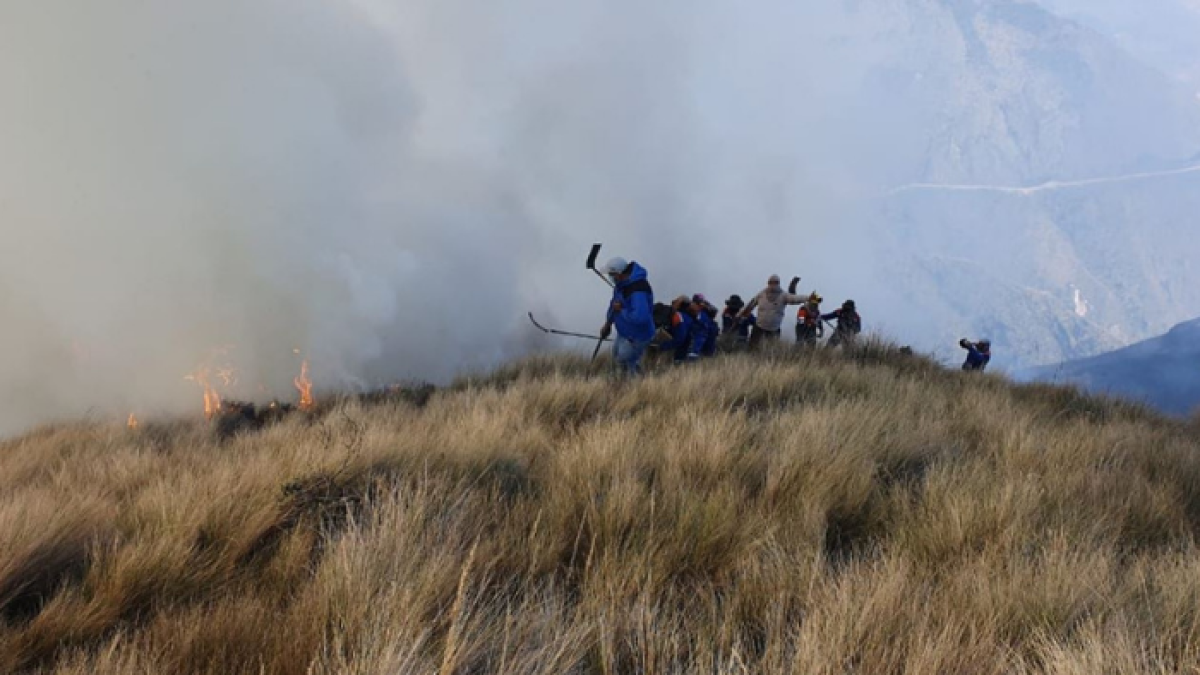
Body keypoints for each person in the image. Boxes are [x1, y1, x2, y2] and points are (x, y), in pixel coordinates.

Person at [599, 257, 655, 375]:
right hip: (624, 332)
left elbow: (641, 318)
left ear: (619, 274)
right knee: (617, 356)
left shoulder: (638, 291)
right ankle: (630, 379)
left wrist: (622, 310)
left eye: (611, 274)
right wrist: (608, 323)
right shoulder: (621, 285)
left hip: (636, 336)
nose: (610, 277)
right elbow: (614, 304)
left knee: (625, 362)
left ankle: (633, 388)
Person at [739, 274, 805, 350]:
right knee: (753, 349)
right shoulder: (762, 294)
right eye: (771, 282)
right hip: (759, 327)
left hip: (774, 329)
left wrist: (809, 298)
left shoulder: (783, 295)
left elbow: (795, 299)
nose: (773, 284)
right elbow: (750, 305)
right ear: (768, 283)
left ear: (778, 283)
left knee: (772, 350)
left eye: (775, 282)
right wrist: (739, 314)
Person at [655, 295, 698, 363]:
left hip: (681, 353)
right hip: (682, 353)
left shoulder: (679, 316)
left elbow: (680, 338)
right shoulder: (686, 317)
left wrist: (661, 346)